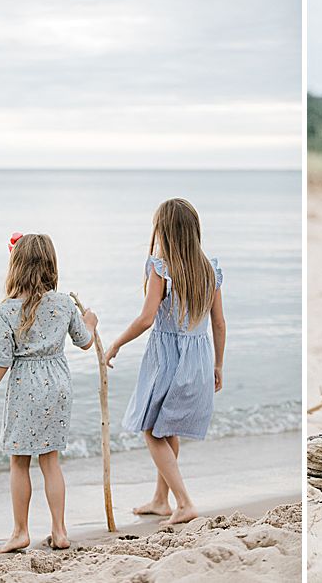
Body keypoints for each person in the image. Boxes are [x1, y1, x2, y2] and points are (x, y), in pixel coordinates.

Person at [0, 233, 97, 553]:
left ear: (15, 266)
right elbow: (85, 342)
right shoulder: (64, 303)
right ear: (51, 265)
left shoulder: (7, 310)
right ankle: (60, 531)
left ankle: (20, 531)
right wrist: (91, 321)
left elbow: (2, 361)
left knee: (20, 462)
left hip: (25, 388)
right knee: (50, 460)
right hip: (58, 386)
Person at [105, 198, 226, 526]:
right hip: (198, 360)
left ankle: (184, 501)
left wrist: (115, 344)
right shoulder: (209, 270)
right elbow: (219, 323)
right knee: (167, 426)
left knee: (151, 430)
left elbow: (146, 319)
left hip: (168, 361)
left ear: (164, 232)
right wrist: (218, 365)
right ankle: (161, 499)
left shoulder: (161, 269)